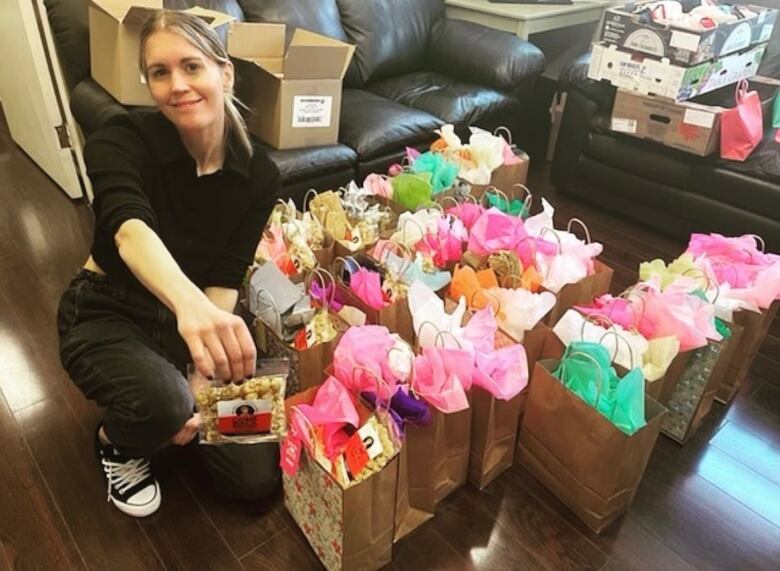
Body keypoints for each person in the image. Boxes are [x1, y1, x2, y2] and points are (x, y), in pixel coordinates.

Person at [57, 10, 281, 518]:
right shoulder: (120, 139)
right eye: (160, 72)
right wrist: (191, 325)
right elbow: (129, 228)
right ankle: (117, 441)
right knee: (165, 404)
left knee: (253, 479)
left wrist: (202, 381)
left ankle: (171, 408)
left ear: (225, 73)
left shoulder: (260, 175)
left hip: (192, 316)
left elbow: (225, 277)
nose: (177, 85)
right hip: (108, 311)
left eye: (192, 66)